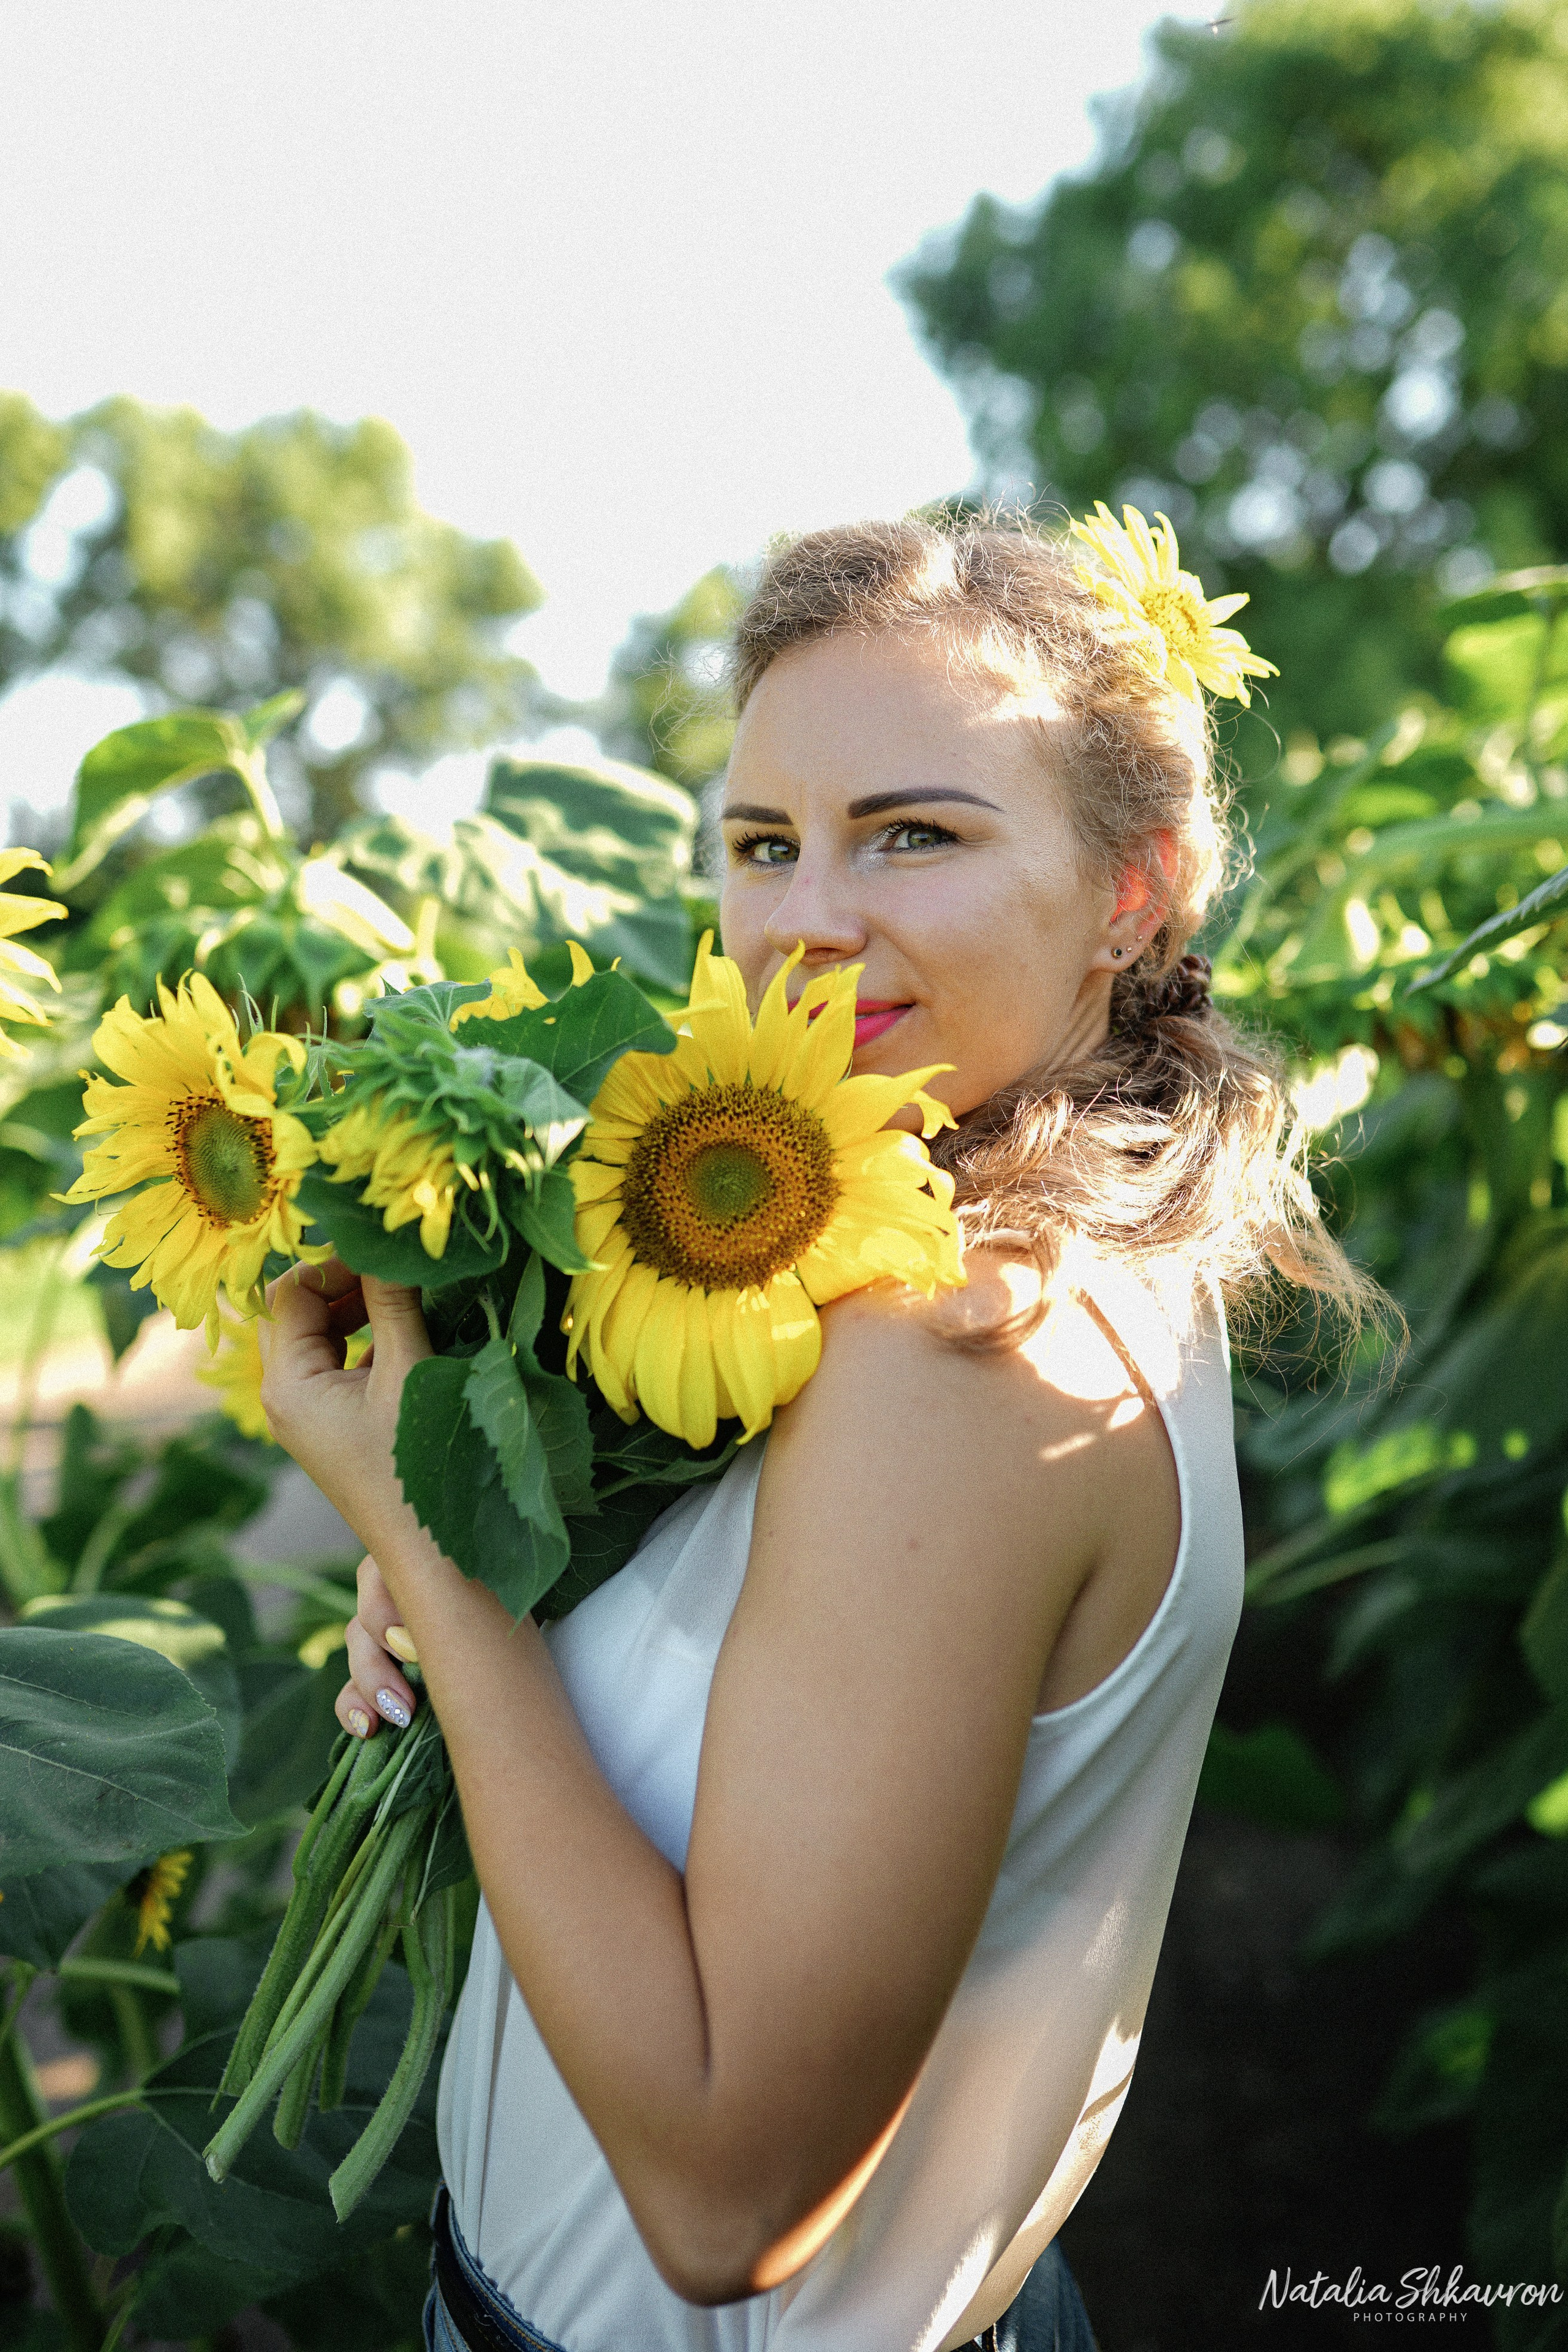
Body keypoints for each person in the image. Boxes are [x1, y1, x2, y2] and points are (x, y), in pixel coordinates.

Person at [260, 514, 1376, 2352]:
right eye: (766, 844)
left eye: (914, 834)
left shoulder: (966, 1344)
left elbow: (729, 2198)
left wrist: (432, 1568)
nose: (804, 924)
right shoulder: (980, 1235)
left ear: (1137, 889)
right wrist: (514, 1566)